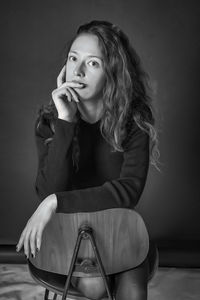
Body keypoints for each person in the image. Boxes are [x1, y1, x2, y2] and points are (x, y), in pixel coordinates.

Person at [16, 20, 159, 300]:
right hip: (67, 234)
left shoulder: (134, 121)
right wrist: (66, 121)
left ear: (112, 72)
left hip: (118, 230)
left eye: (93, 63)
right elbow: (48, 190)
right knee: (94, 285)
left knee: (130, 279)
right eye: (73, 58)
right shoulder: (50, 121)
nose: (78, 70)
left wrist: (56, 201)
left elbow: (128, 191)